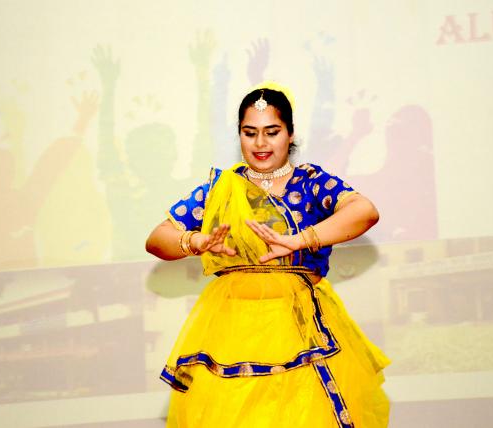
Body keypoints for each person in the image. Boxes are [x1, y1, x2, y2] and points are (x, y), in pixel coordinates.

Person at [146, 84, 390, 427]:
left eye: (272, 132)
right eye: (250, 133)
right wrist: (195, 241)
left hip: (300, 329)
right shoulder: (220, 190)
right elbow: (157, 238)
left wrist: (301, 239)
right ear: (240, 136)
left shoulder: (309, 182)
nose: (260, 143)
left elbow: (364, 211)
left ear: (290, 135)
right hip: (231, 335)